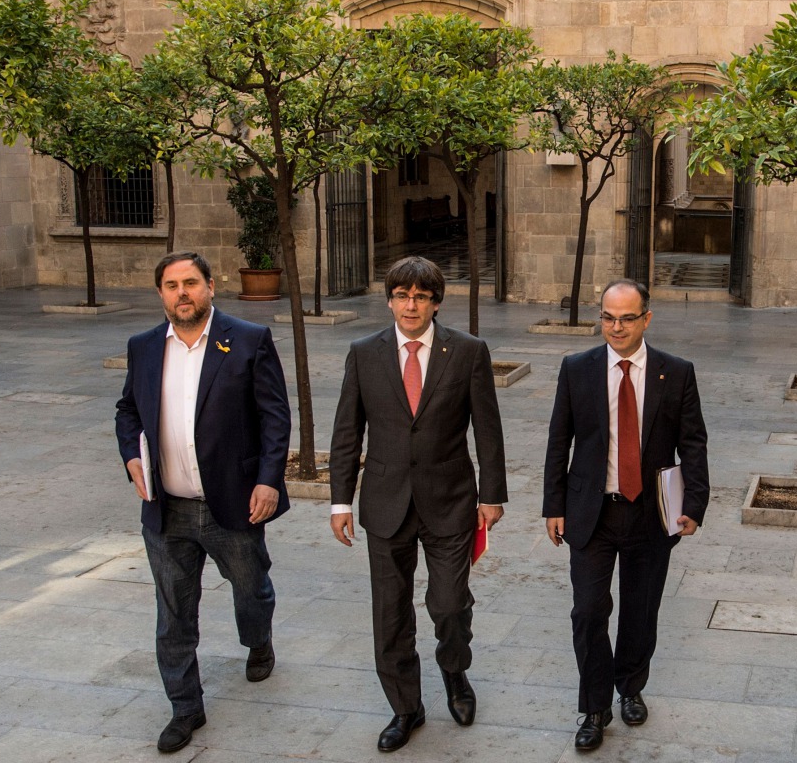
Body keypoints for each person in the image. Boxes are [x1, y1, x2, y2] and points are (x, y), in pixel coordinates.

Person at [329, 256, 508, 753]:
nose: (411, 305)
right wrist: (340, 501)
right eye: (403, 295)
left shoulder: (467, 351)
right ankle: (406, 707)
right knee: (390, 614)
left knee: (449, 605)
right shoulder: (364, 353)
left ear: (435, 303)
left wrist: (492, 495)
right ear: (389, 299)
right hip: (385, 505)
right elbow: (348, 433)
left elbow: (487, 429)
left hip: (451, 501)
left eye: (422, 296)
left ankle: (455, 672)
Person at [115, 251, 291, 754]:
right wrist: (131, 455)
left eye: (191, 282)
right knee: (173, 612)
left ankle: (258, 640)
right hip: (166, 508)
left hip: (232, 502)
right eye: (171, 286)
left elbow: (274, 417)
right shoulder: (144, 347)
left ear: (211, 286)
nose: (182, 293)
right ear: (161, 294)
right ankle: (185, 707)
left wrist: (268, 480)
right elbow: (127, 410)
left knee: (250, 587)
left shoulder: (248, 340)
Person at [543, 278, 709, 753]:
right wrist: (553, 505)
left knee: (641, 608)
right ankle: (594, 706)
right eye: (608, 317)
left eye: (626, 318)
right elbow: (560, 440)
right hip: (590, 512)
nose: (616, 327)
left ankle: (630, 685)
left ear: (646, 320)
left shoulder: (675, 372)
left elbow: (693, 443)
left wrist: (694, 504)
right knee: (589, 610)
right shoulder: (577, 369)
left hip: (650, 513)